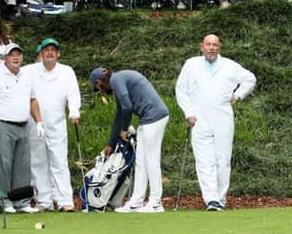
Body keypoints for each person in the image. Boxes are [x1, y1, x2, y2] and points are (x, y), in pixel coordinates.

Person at [176, 34, 256, 211]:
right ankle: (211, 199)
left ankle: (221, 198)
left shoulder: (229, 66)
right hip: (199, 118)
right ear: (201, 46)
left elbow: (250, 78)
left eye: (215, 45)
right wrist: (188, 112)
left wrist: (238, 95)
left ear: (219, 47)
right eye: (208, 44)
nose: (211, 48)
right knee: (204, 160)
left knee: (222, 159)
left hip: (223, 118)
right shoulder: (191, 64)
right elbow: (181, 90)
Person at [89, 67, 169, 213]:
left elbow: (127, 108)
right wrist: (110, 145)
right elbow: (119, 116)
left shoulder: (116, 79)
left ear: (100, 82)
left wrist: (124, 130)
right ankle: (137, 202)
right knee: (141, 161)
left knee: (151, 160)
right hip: (147, 118)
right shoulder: (118, 83)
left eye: (98, 88)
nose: (101, 92)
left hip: (155, 116)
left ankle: (156, 202)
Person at [0, 42, 43, 214]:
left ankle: (21, 202)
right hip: (2, 124)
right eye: (11, 54)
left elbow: (33, 100)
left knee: (22, 166)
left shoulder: (26, 76)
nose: (15, 57)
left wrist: (38, 122)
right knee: (4, 165)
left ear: (22, 57)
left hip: (23, 125)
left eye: (18, 54)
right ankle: (5, 200)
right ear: (5, 58)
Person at [26, 38, 80, 212]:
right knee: (38, 162)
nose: (49, 53)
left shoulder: (67, 71)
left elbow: (73, 93)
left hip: (57, 123)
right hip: (35, 123)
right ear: (40, 53)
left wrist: (74, 111)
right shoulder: (29, 71)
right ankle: (44, 201)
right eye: (46, 50)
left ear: (58, 54)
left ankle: (65, 201)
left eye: (53, 50)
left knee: (59, 161)